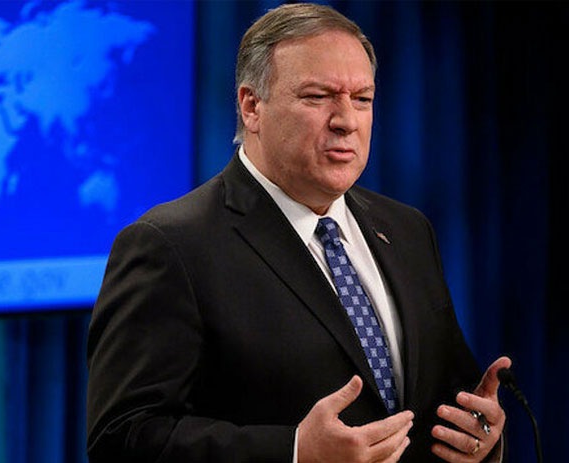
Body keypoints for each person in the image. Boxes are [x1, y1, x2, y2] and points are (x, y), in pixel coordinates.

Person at [86, 3, 509, 462]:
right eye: (318, 96)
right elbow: (122, 437)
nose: (346, 120)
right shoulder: (171, 246)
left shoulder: (407, 230)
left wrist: (479, 433)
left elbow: (445, 395)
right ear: (252, 106)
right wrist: (294, 451)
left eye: (362, 99)